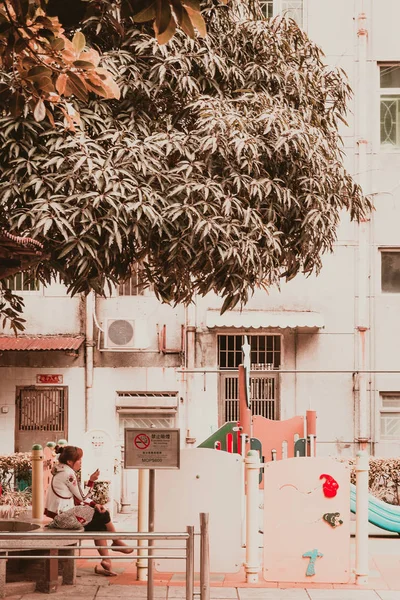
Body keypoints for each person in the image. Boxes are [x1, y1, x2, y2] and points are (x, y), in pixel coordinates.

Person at [44, 445, 133, 576]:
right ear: (70, 462)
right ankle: (116, 541)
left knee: (98, 524)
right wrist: (91, 481)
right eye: (79, 460)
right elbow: (82, 496)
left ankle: (107, 561)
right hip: (64, 518)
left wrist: (94, 503)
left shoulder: (61, 471)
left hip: (62, 515)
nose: (81, 463)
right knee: (103, 514)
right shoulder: (68, 474)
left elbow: (77, 498)